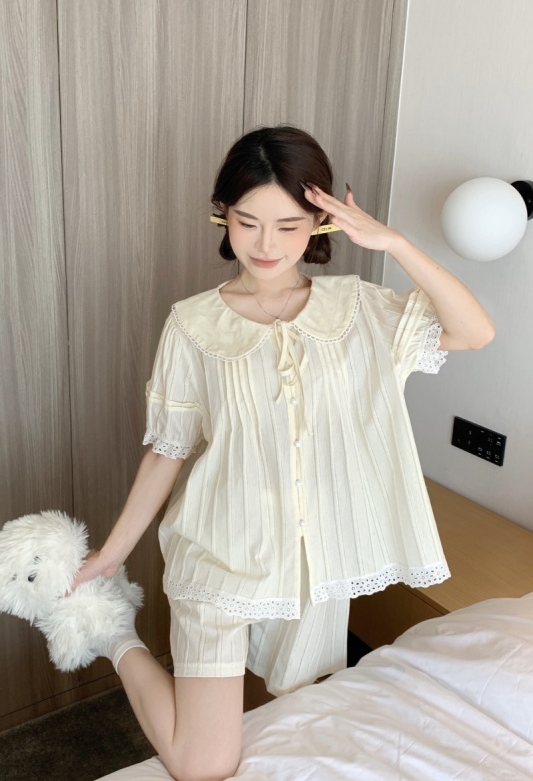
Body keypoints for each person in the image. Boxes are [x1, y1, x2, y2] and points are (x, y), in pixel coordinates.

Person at [71, 125, 494, 781]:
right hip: (218, 551)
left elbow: (474, 331)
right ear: (223, 215)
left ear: (320, 222)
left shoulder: (360, 311)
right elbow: (167, 450)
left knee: (296, 720)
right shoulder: (192, 324)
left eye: (289, 225)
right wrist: (110, 557)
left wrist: (395, 243)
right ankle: (115, 634)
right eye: (247, 222)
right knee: (202, 764)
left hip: (313, 565)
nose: (266, 244)